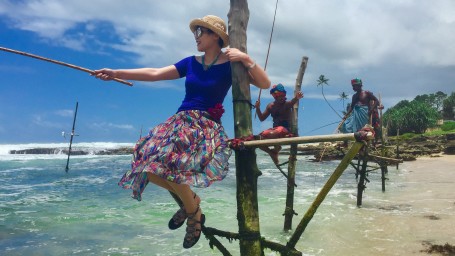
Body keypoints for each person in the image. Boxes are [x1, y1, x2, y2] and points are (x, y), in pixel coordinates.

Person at [93, 15, 270, 249]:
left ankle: (193, 214)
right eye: (195, 33)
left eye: (200, 33)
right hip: (179, 121)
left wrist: (247, 59)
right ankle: (192, 205)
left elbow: (264, 83)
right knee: (147, 166)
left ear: (215, 36)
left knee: (168, 167)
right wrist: (117, 73)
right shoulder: (191, 62)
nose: (196, 37)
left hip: (204, 125)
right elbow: (155, 73)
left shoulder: (231, 63)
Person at [254, 83, 303, 164]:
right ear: (275, 97)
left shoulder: (287, 104)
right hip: (275, 129)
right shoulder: (270, 106)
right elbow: (262, 118)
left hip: (285, 129)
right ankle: (272, 152)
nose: (282, 98)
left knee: (275, 132)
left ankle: (276, 149)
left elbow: (293, 101)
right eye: (280, 96)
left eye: (283, 96)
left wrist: (297, 97)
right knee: (258, 139)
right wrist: (258, 108)